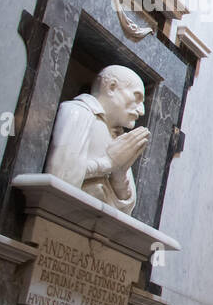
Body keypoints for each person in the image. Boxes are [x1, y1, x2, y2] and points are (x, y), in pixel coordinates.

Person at [44, 64, 149, 214]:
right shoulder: (78, 113)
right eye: (136, 97)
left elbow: (127, 209)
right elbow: (61, 178)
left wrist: (119, 175)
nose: (141, 110)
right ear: (111, 87)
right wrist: (108, 163)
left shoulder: (119, 137)